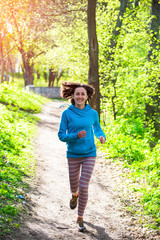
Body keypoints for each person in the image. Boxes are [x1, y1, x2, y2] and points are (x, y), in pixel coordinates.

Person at [58, 82, 106, 232]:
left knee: (83, 185)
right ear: (72, 96)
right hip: (73, 154)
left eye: (82, 94)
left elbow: (97, 128)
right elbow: (61, 135)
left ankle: (80, 217)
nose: (80, 96)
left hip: (89, 153)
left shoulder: (92, 113)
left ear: (87, 97)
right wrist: (75, 136)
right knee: (75, 186)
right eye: (77, 94)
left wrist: (101, 136)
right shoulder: (66, 113)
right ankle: (74, 195)